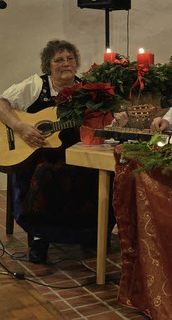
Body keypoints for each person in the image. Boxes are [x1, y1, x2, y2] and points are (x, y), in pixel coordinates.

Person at [0, 39, 111, 263]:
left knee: (97, 172)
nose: (65, 63)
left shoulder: (85, 90)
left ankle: (91, 232)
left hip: (76, 152)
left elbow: (101, 122)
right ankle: (40, 238)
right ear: (48, 65)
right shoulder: (36, 85)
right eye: (58, 60)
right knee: (45, 175)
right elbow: (1, 104)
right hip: (37, 153)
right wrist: (20, 127)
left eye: (70, 58)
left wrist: (113, 118)